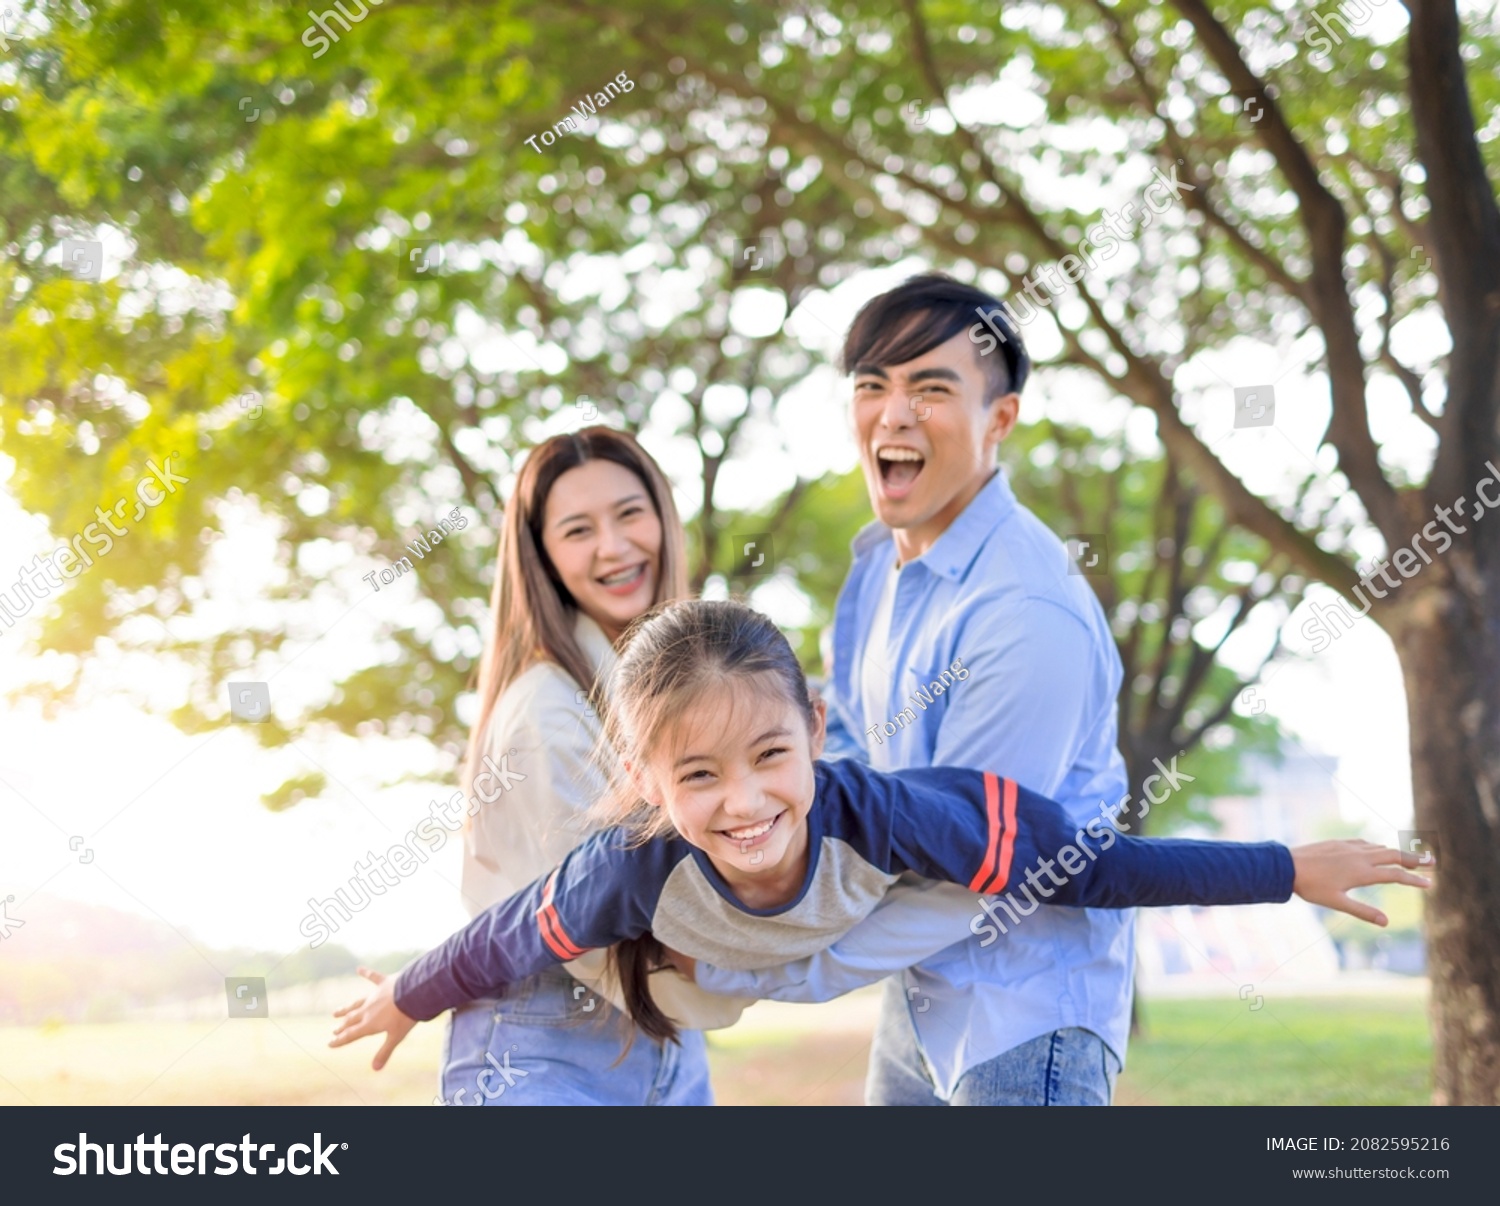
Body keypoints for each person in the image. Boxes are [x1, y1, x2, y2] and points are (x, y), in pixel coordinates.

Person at [328, 599, 1429, 1063]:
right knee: (650, 977)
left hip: (955, 849)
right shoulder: (625, 874)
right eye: (698, 775)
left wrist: (1287, 867)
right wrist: (402, 997)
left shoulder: (886, 816)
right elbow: (502, 938)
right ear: (647, 780)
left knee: (1027, 878)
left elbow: (1104, 867)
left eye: (769, 757)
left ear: (813, 731)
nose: (746, 802)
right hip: (730, 952)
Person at [684, 272, 1232, 1105]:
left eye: (930, 388)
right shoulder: (876, 570)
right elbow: (852, 771)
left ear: (998, 419)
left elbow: (982, 868)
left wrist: (759, 968)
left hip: (1025, 1011)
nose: (894, 414)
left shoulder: (1025, 611)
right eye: (873, 385)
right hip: (922, 989)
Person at [435, 427, 743, 1107]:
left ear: (663, 518)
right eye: (578, 530)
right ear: (542, 557)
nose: (613, 546)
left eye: (630, 513)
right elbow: (600, 922)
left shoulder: (667, 693)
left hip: (662, 1041)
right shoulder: (546, 710)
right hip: (546, 1044)